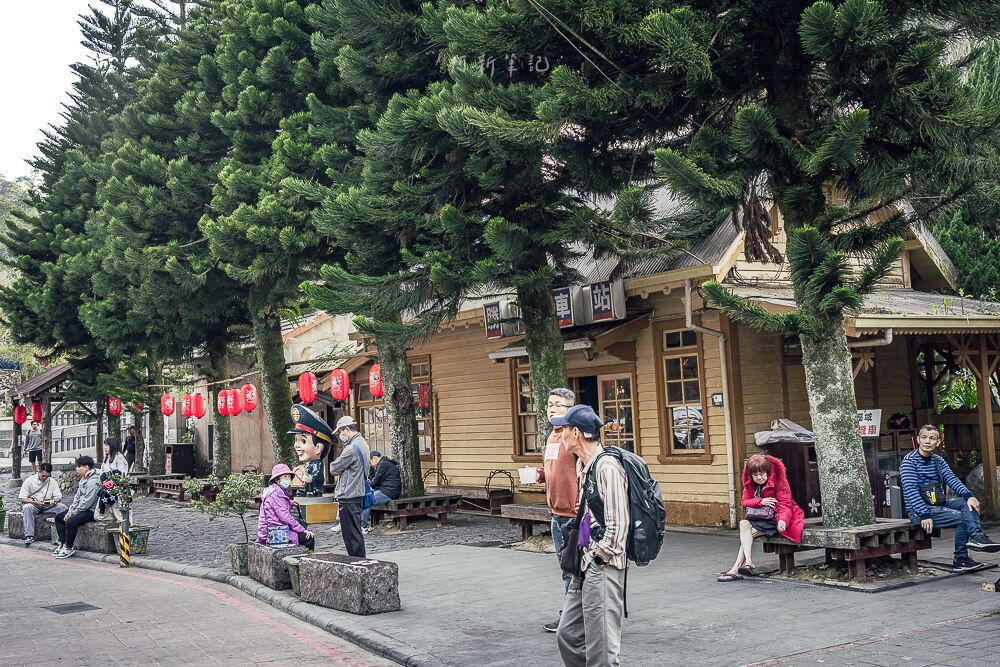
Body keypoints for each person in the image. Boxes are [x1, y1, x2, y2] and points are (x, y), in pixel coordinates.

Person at [553, 405, 628, 667]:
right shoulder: (585, 466)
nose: (559, 434)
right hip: (584, 563)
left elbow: (619, 523)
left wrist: (599, 558)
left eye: (563, 429)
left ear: (576, 433)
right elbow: (587, 516)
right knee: (568, 635)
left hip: (602, 565)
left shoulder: (606, 466)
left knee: (602, 649)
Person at [900, 425, 1000, 571]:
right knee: (962, 518)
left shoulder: (938, 461)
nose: (927, 441)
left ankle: (977, 537)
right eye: (924, 438)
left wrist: (969, 496)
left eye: (932, 438)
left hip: (938, 503)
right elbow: (911, 491)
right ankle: (960, 559)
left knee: (967, 503)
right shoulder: (909, 462)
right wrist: (924, 514)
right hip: (920, 511)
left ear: (938, 442)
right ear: (918, 440)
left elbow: (952, 479)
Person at [718, 454, 805, 581]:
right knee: (743, 524)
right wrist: (761, 501)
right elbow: (745, 502)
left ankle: (735, 569)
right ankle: (748, 562)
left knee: (748, 534)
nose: (759, 478)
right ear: (750, 475)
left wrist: (782, 521)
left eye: (762, 474)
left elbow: (785, 504)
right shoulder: (750, 483)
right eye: (755, 475)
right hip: (760, 516)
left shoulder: (780, 480)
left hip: (777, 517)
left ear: (768, 471)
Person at [535, 388, 577, 633]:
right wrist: (540, 474)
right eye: (549, 404)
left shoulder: (575, 434)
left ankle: (573, 618)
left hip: (579, 517)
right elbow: (556, 468)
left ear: (569, 409)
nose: (551, 408)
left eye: (557, 405)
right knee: (566, 569)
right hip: (556, 514)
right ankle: (572, 615)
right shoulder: (552, 436)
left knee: (577, 569)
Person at [329, 415, 370, 557]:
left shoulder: (351, 448)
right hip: (357, 493)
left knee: (351, 535)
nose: (340, 436)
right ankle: (359, 562)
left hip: (349, 495)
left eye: (340, 432)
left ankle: (357, 563)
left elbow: (334, 468)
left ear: (346, 429)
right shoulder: (362, 442)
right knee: (355, 532)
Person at [257, 463, 315, 550]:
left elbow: (278, 506)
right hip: (274, 532)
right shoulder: (276, 494)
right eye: (285, 477)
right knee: (309, 538)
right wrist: (302, 530)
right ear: (277, 480)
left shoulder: (274, 491)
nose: (288, 479)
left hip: (272, 528)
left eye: (289, 477)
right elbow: (285, 517)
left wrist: (290, 503)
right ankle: (306, 560)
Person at [54, 456, 100, 559]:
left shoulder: (93, 481)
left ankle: (69, 547)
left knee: (71, 521)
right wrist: (70, 511)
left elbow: (87, 502)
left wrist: (73, 513)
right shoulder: (83, 480)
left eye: (78, 467)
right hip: (79, 509)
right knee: (59, 517)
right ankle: (62, 543)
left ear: (86, 468)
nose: (76, 469)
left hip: (90, 511)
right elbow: (77, 498)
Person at [18, 462, 66, 546]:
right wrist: (35, 502)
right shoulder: (29, 481)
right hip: (34, 504)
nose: (45, 478)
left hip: (48, 505)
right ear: (38, 472)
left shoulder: (52, 481)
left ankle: (64, 533)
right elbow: (22, 499)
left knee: (62, 507)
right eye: (43, 475)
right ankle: (29, 535)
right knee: (27, 508)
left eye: (47, 476)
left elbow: (58, 497)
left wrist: (53, 502)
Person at [361, 450, 401, 533]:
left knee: (367, 500)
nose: (371, 465)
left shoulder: (383, 464)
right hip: (387, 489)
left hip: (389, 491)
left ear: (375, 458)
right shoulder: (384, 463)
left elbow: (376, 480)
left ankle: (363, 526)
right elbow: (377, 480)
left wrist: (369, 486)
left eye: (370, 462)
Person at [98, 437, 130, 521]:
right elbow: (102, 470)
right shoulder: (107, 458)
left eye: (107, 445)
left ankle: (125, 529)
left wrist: (108, 477)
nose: (105, 447)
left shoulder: (119, 457)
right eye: (105, 445)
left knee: (120, 513)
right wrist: (94, 471)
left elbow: (121, 473)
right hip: (107, 487)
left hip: (118, 488)